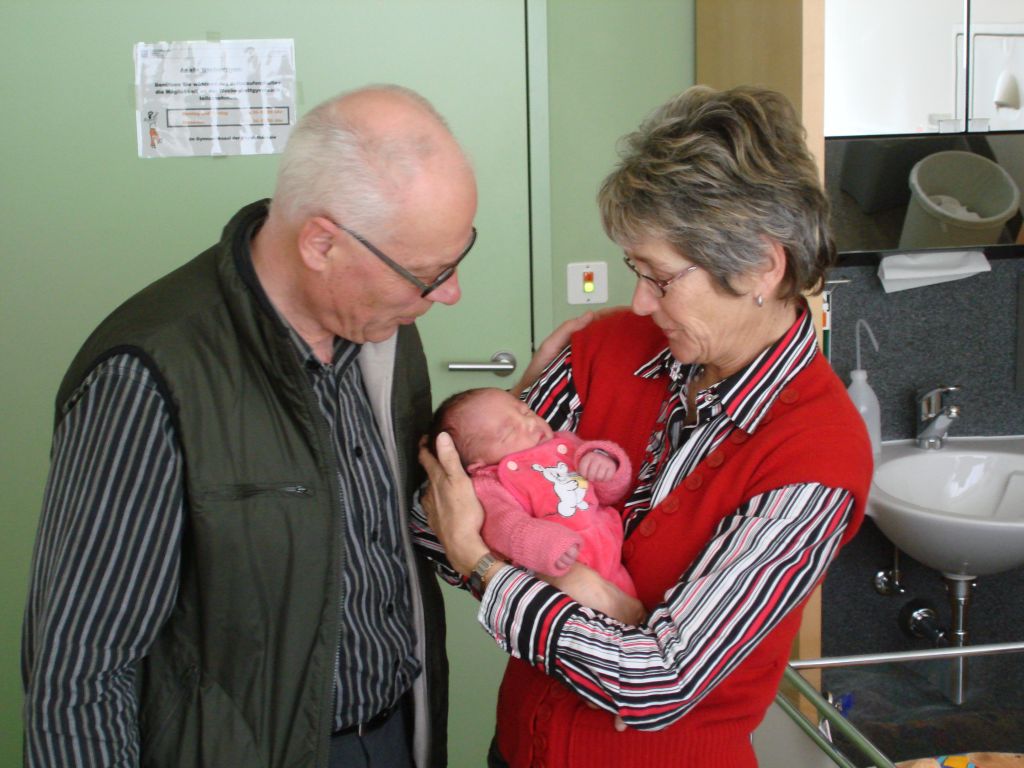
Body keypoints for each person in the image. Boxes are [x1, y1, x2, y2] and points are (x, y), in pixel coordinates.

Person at [418, 84, 874, 768]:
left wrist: (483, 563)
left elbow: (657, 679)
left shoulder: (817, 458)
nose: (637, 303)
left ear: (760, 265)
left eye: (660, 279)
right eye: (636, 271)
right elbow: (431, 516)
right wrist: (576, 592)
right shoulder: (606, 349)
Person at [22, 84, 477, 768]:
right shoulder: (149, 375)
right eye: (427, 273)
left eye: (456, 260)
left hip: (394, 734)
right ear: (321, 244)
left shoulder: (381, 328)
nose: (451, 293)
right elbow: (80, 669)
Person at [427, 387, 637, 599]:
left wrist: (604, 465)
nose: (530, 423)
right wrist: (544, 545)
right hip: (559, 574)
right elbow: (504, 526)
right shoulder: (489, 484)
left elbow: (610, 495)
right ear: (477, 464)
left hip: (613, 560)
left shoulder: (565, 444)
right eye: (509, 431)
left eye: (526, 411)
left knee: (630, 608)